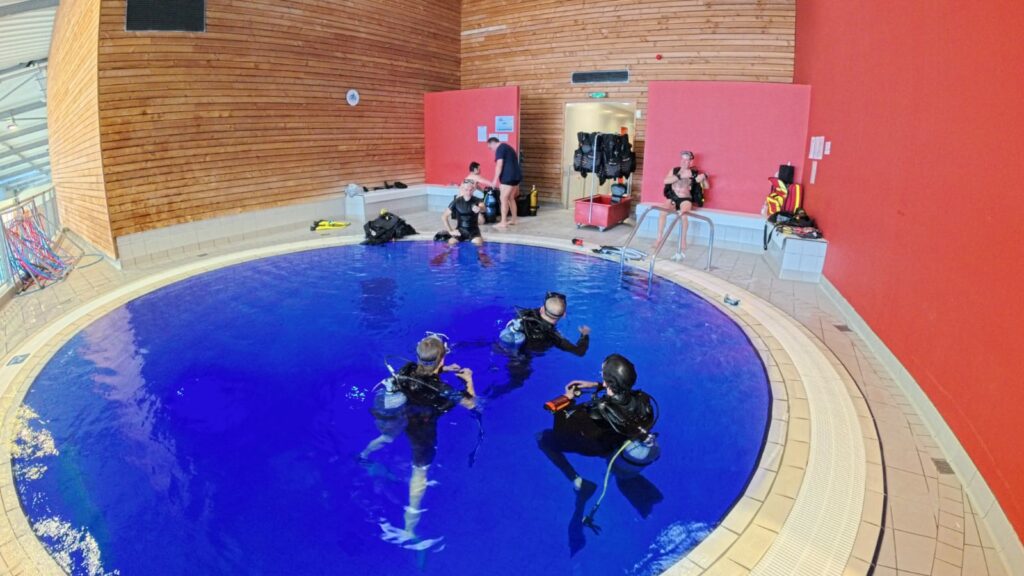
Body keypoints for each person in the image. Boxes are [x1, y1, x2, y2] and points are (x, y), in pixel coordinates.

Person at [537, 354, 662, 552]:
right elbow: (620, 400)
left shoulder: (593, 414)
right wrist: (597, 386)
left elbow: (561, 432)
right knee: (623, 470)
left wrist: (566, 402)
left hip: (596, 447)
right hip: (619, 443)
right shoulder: (644, 403)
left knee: (543, 439)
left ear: (609, 381)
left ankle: (577, 481)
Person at [360, 334, 477, 541]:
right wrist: (468, 380)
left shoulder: (407, 370)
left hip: (401, 417)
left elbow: (424, 372)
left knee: (386, 437)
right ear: (442, 359)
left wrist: (445, 369)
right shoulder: (443, 389)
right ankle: (409, 527)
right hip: (422, 429)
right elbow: (471, 404)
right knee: (420, 472)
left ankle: (364, 455)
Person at [489, 292, 590, 399]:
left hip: (499, 346)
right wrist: (584, 335)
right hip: (519, 361)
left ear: (542, 309)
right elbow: (580, 351)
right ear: (564, 315)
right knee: (516, 383)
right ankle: (489, 397)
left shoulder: (525, 315)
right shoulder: (554, 337)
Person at [653, 150, 710, 257]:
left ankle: (683, 240)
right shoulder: (674, 170)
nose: (684, 162)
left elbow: (706, 186)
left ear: (690, 162)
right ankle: (659, 238)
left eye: (686, 160)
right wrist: (680, 176)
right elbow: (665, 181)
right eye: (682, 160)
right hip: (673, 198)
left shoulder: (694, 174)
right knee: (662, 212)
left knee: (683, 215)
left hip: (685, 199)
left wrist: (704, 178)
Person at [487, 137, 522, 229]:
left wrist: (494, 180)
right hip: (516, 176)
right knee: (511, 198)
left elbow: (499, 164)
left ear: (492, 143)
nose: (491, 150)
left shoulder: (500, 148)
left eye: (490, 147)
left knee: (503, 198)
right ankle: (514, 220)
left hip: (508, 177)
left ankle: (503, 222)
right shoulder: (508, 147)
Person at [441, 179, 485, 246]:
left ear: (473, 190)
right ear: (462, 189)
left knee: (478, 243)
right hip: (460, 231)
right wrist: (450, 231)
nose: (468, 192)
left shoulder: (478, 200)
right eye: (466, 190)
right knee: (451, 242)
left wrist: (479, 209)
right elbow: (444, 216)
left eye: (470, 190)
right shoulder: (456, 201)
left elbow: (484, 208)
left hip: (474, 231)